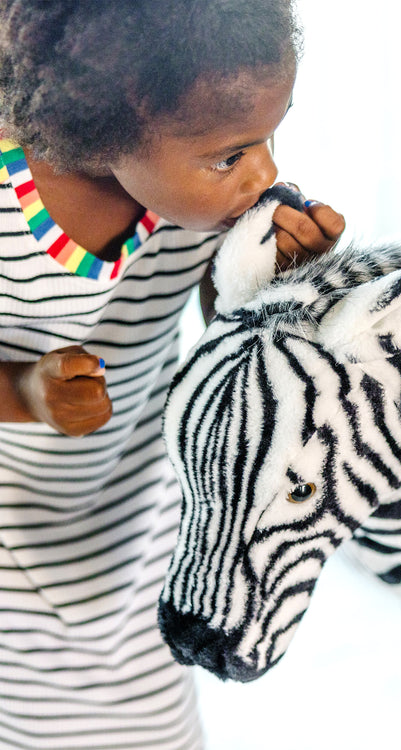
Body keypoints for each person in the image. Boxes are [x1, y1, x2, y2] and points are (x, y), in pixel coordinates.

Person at [0, 1, 345, 748]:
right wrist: (25, 390)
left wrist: (272, 282)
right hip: (14, 541)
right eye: (233, 155)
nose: (269, 172)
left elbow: (221, 317)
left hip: (140, 511)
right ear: (106, 122)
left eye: (270, 137)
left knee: (153, 717)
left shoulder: (204, 198)